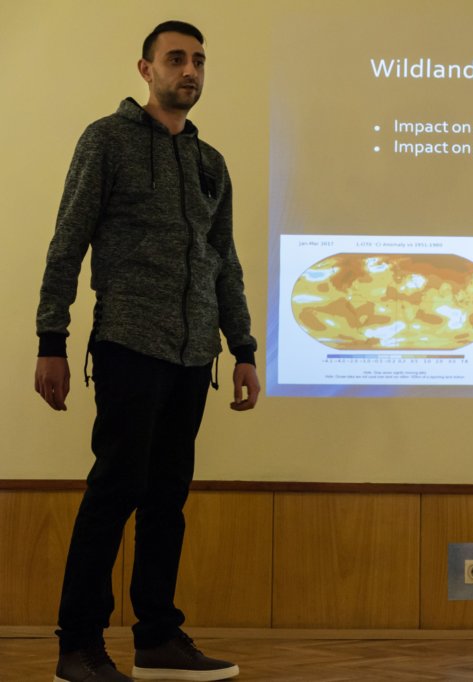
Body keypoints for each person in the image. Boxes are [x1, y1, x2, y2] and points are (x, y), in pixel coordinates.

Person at [34, 20, 259, 682]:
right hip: (129, 343)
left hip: (194, 357)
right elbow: (67, 242)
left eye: (199, 61)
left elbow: (224, 263)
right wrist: (51, 339)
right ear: (146, 69)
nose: (190, 70)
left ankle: (158, 638)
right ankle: (78, 646)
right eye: (176, 59)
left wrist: (243, 348)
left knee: (167, 500)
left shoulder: (210, 162)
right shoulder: (106, 140)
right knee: (115, 491)